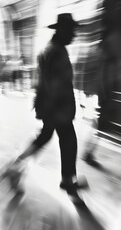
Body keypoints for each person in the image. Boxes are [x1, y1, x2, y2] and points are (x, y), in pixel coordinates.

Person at [14, 13, 87, 196]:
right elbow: (54, 85)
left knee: (46, 138)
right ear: (62, 30)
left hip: (52, 107)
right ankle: (67, 180)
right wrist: (59, 110)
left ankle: (16, 167)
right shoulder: (56, 51)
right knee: (67, 141)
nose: (74, 34)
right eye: (71, 30)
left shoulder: (52, 48)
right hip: (56, 108)